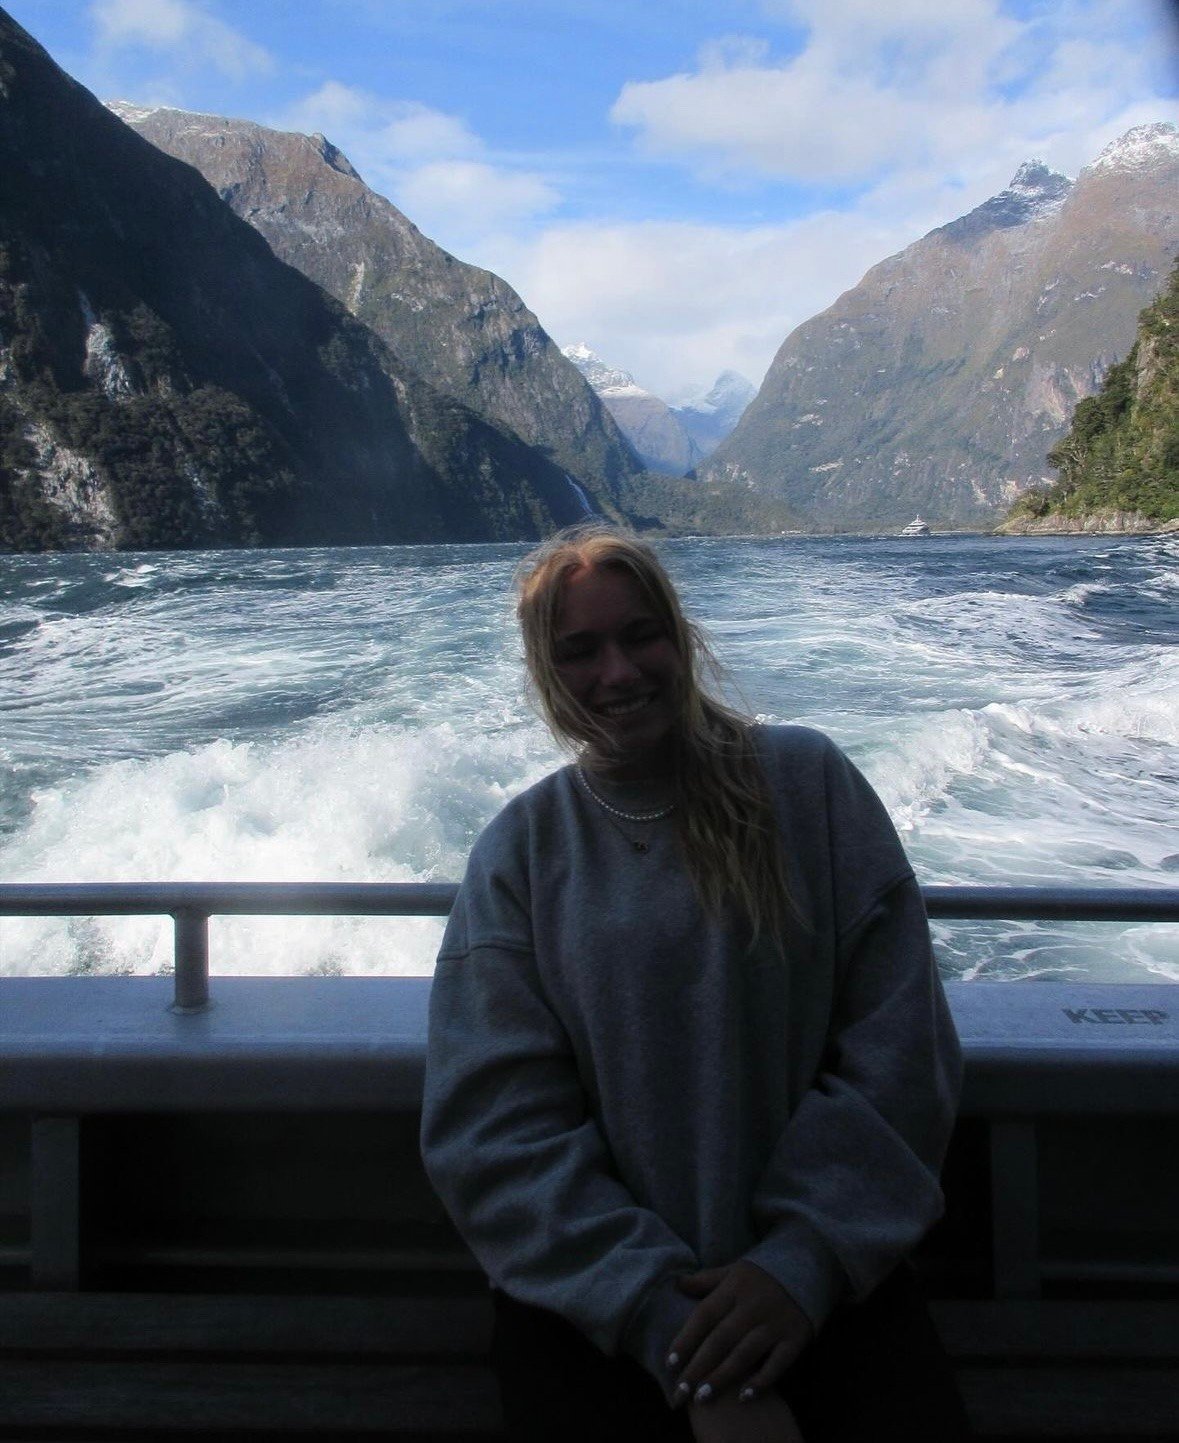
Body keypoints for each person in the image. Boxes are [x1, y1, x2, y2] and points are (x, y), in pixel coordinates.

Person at [421, 525, 966, 1442]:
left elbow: (899, 1048)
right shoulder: (522, 851)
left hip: (827, 1293)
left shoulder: (807, 786)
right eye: (579, 651)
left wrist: (799, 1264)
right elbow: (494, 1130)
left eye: (640, 634)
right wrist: (676, 1333)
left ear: (680, 635)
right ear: (546, 674)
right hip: (599, 1321)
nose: (619, 671)